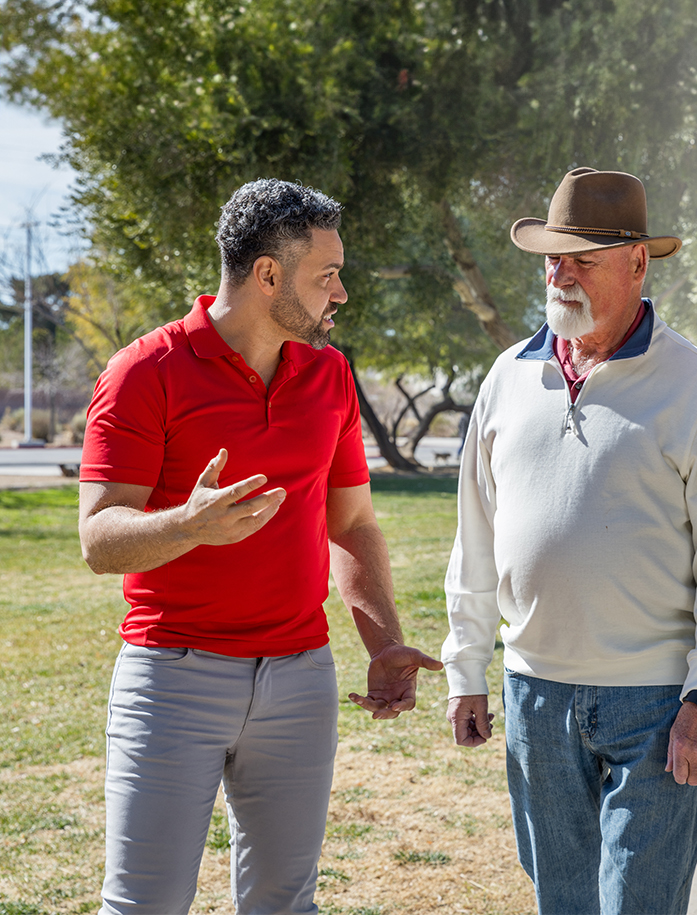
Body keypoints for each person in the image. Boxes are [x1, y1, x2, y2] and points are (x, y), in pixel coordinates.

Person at [77, 178, 443, 915]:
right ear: (268, 274)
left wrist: (383, 641)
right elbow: (98, 537)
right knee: (144, 904)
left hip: (300, 679)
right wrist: (187, 524)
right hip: (171, 679)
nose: (339, 294)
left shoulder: (330, 374)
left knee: (285, 903)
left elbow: (353, 523)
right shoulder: (144, 371)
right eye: (327, 275)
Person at [441, 167, 697, 915]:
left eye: (583, 256)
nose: (561, 272)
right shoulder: (508, 376)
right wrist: (465, 666)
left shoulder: (694, 383)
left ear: (638, 262)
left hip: (657, 701)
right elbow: (475, 532)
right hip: (534, 693)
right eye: (553, 256)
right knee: (562, 904)